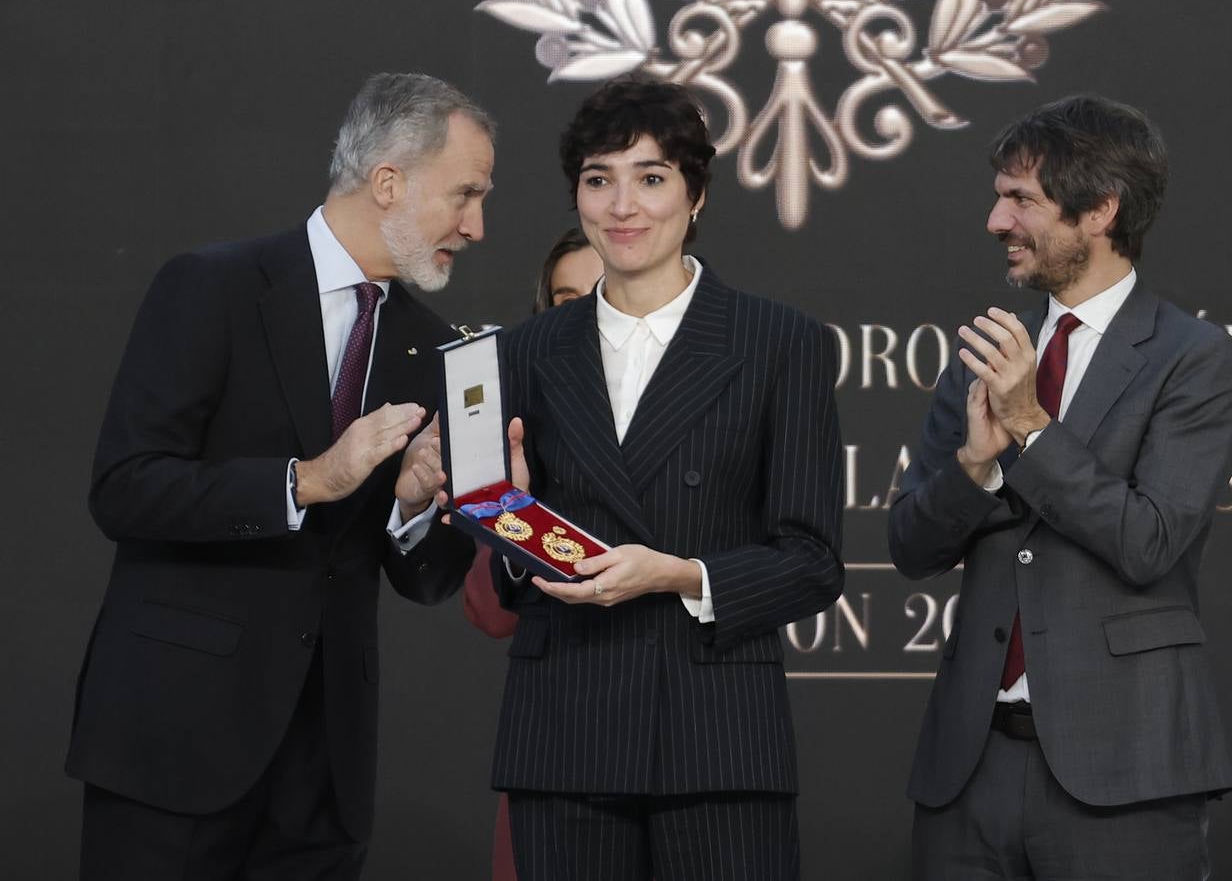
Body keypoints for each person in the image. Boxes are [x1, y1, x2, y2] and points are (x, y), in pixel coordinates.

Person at [67, 72, 492, 880]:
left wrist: (410, 509)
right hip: (175, 740)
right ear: (389, 182)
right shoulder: (213, 287)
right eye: (465, 194)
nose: (476, 226)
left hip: (324, 770)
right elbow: (124, 485)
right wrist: (304, 482)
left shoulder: (437, 348)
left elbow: (429, 579)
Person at [489, 78, 845, 881]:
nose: (623, 205)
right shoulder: (524, 352)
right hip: (564, 734)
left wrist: (681, 574)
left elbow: (813, 560)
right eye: (598, 178)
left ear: (697, 196)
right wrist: (509, 517)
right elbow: (514, 578)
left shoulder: (779, 342)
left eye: (651, 178)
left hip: (716, 736)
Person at [888, 94, 1232, 880]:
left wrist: (1033, 429)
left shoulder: (1193, 356)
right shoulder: (991, 347)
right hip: (968, 771)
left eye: (1021, 201)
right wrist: (974, 467)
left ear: (1100, 211)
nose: (996, 221)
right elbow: (910, 546)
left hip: (1125, 775)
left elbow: (1149, 542)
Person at [462, 227, 602, 881]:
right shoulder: (517, 437)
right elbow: (492, 612)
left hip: (677, 757)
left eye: (601, 297)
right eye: (563, 299)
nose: (580, 317)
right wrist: (516, 514)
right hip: (553, 755)